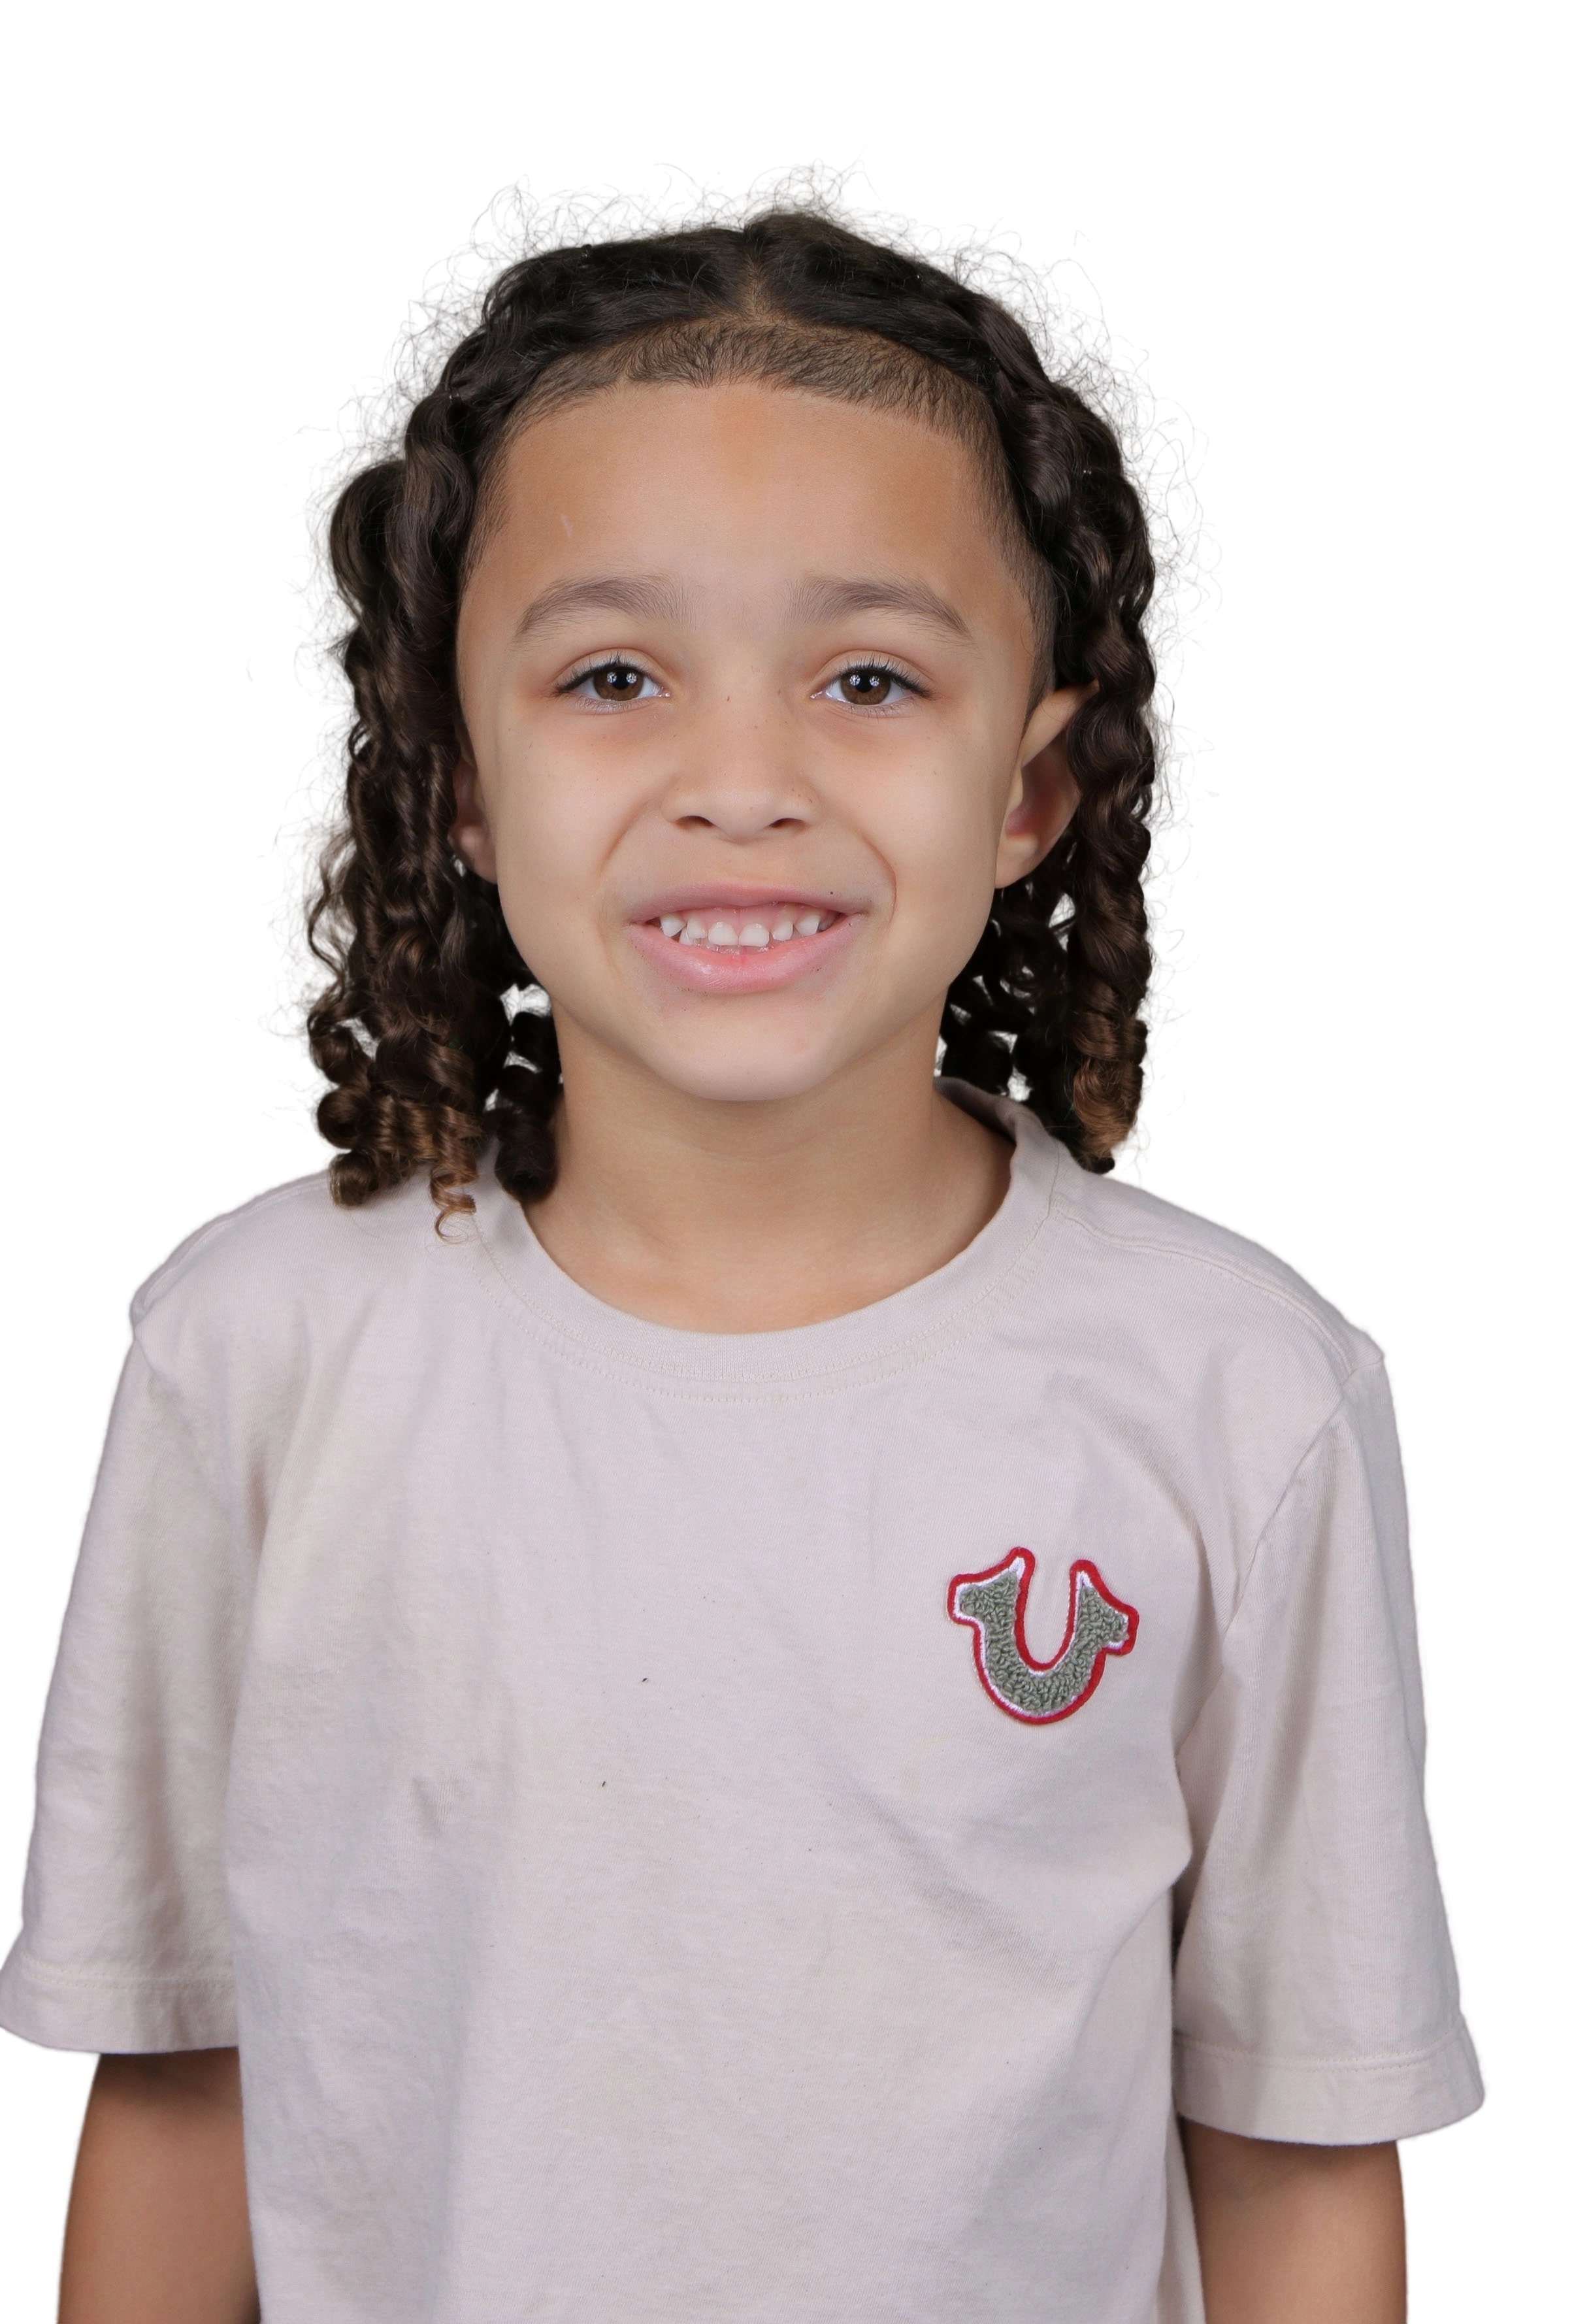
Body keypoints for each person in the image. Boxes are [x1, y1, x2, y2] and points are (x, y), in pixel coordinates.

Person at [0, 153, 1488, 2323]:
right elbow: (185, 2085)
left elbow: (1291, 2138)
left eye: (868, 681)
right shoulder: (252, 1356)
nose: (741, 781)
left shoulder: (1239, 1391)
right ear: (462, 781)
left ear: (1027, 790)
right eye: (615, 676)